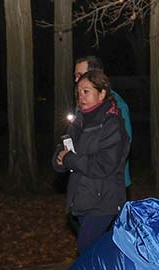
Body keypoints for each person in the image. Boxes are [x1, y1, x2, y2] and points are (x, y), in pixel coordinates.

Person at [53, 70, 130, 253]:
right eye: (78, 92)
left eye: (86, 91)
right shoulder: (79, 122)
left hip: (102, 203)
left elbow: (104, 165)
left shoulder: (112, 124)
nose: (81, 96)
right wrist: (59, 159)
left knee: (86, 252)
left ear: (102, 93)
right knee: (98, 255)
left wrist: (70, 160)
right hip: (81, 200)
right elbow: (64, 150)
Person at [74, 55, 133, 189]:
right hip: (85, 181)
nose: (77, 80)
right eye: (75, 76)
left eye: (80, 75)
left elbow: (125, 143)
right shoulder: (81, 105)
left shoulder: (117, 105)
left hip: (110, 185)